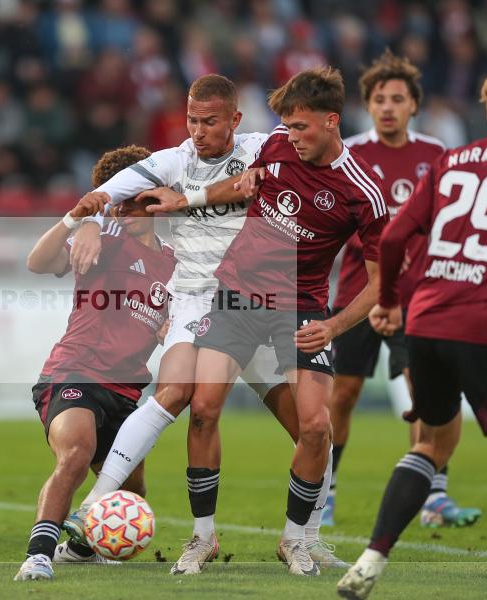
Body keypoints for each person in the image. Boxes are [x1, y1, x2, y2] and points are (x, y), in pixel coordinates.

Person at [64, 74, 346, 574]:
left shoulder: (266, 146)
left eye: (209, 121)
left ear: (234, 121)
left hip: (259, 298)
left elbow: (326, 155)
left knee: (310, 428)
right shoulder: (175, 161)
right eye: (192, 119)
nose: (197, 130)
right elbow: (114, 187)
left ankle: (307, 537)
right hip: (197, 299)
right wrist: (87, 218)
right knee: (180, 396)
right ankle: (96, 510)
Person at [337, 65, 487, 600]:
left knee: (434, 440)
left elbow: (395, 235)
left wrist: (390, 302)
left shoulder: (450, 160)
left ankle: (370, 561)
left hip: (424, 318)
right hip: (485, 319)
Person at [176, 66, 388, 576]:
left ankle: (295, 540)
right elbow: (239, 179)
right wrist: (239, 181)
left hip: (302, 309)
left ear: (332, 122)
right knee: (203, 409)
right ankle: (202, 538)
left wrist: (335, 326)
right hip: (238, 296)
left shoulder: (364, 191)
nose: (290, 137)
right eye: (287, 127)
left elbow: (383, 282)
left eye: (301, 128)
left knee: (316, 426)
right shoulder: (274, 144)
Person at [326, 50, 481, 529]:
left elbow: (453, 219)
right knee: (343, 395)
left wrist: (418, 249)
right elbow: (335, 219)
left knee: (425, 393)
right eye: (378, 99)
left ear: (415, 104)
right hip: (358, 294)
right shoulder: (348, 153)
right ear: (368, 106)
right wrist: (386, 250)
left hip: (418, 298)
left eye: (398, 98)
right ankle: (322, 494)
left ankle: (434, 496)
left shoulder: (436, 155)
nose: (387, 107)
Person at [14, 146, 175, 581]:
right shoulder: (99, 241)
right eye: (116, 201)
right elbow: (38, 262)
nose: (123, 209)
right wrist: (76, 220)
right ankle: (39, 554)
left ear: (155, 195)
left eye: (132, 198)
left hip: (126, 390)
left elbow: (171, 319)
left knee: (133, 489)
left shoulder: (174, 261)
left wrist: (170, 329)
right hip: (74, 373)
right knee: (76, 452)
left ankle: (82, 549)